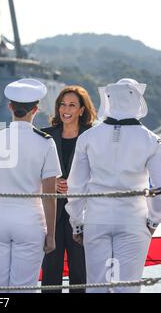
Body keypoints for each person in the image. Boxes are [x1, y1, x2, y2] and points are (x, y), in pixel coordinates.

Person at [66, 78, 161, 293]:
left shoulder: (88, 137)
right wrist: (154, 220)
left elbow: (76, 185)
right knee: (127, 288)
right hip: (134, 221)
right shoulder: (152, 141)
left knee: (97, 287)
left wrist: (77, 223)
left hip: (96, 219)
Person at [0, 79, 61, 292]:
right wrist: (51, 234)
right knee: (24, 287)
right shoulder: (45, 142)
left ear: (10, 107)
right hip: (30, 220)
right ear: (35, 110)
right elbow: (49, 195)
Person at [41, 86, 97, 293]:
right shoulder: (44, 136)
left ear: (82, 110)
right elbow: (32, 173)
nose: (66, 109)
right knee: (50, 274)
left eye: (72, 105)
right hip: (51, 215)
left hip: (82, 214)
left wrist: (77, 184)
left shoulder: (93, 136)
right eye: (62, 104)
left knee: (80, 273)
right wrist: (50, 183)